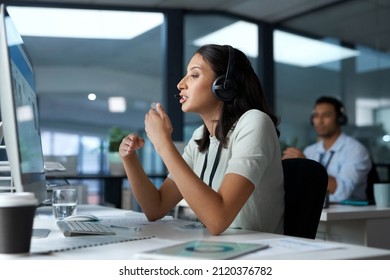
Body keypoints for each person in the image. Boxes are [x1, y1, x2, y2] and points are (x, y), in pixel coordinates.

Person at [119, 44, 284, 236]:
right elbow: (155, 207)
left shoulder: (254, 122)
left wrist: (163, 144)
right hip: (218, 248)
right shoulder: (200, 136)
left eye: (194, 75)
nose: (181, 84)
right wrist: (129, 158)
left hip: (259, 252)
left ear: (224, 85)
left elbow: (217, 219)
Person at [282, 96, 372, 203]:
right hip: (315, 211)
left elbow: (343, 192)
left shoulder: (355, 150)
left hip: (347, 215)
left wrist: (307, 166)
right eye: (316, 116)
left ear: (340, 119)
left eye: (326, 116)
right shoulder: (310, 150)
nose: (319, 121)